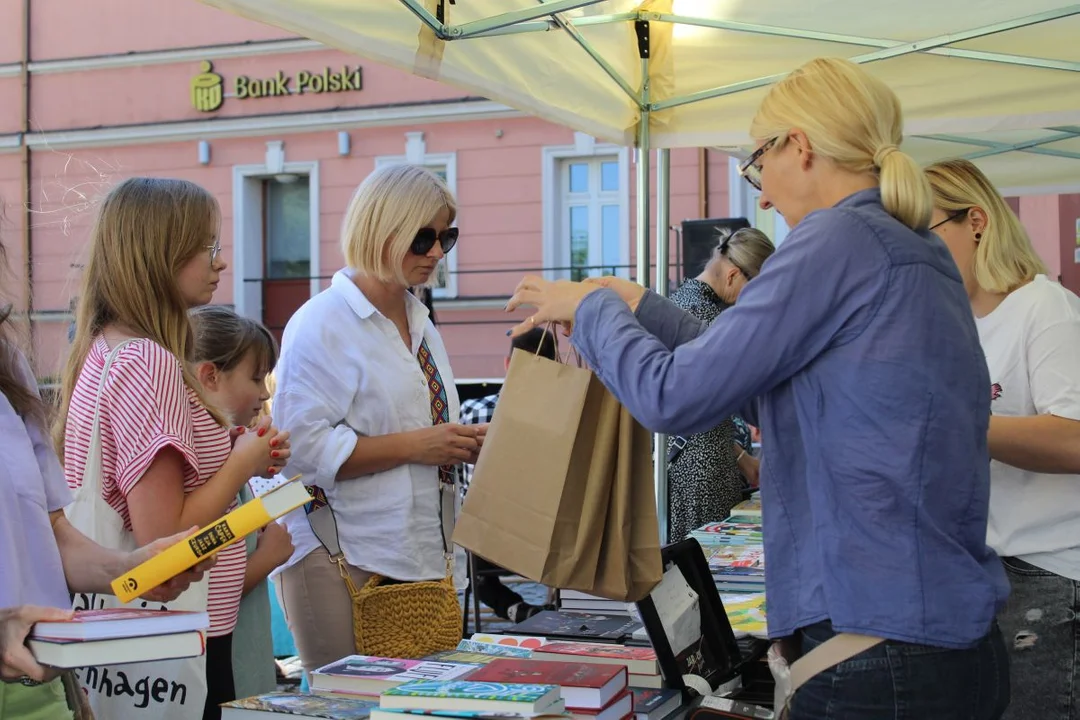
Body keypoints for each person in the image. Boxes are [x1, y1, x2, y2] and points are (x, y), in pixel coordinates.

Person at [506, 57, 1010, 719]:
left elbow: (675, 398)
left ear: (799, 146)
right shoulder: (915, 250)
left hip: (876, 651)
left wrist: (596, 306)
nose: (763, 197)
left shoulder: (834, 239)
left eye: (757, 162)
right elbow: (750, 379)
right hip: (944, 644)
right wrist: (641, 307)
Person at [54, 177, 291, 720]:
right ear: (160, 253)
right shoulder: (150, 361)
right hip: (181, 640)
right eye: (208, 246)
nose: (221, 262)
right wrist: (241, 465)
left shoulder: (105, 347)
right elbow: (167, 542)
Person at [272, 164, 483, 678]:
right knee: (350, 709)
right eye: (423, 237)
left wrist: (460, 443)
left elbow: (424, 436)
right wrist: (419, 445)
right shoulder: (321, 324)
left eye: (445, 237)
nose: (436, 252)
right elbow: (300, 454)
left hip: (420, 560)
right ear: (381, 230)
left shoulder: (421, 324)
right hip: (342, 559)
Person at [0, 234, 209, 719]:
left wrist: (131, 569)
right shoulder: (145, 359)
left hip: (39, 683)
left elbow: (53, 536)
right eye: (205, 245)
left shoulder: (8, 367)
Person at [926, 158, 1080, 720]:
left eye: (926, 229)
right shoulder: (951, 325)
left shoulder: (1044, 308)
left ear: (977, 221)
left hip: (1046, 572)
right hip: (980, 567)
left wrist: (953, 423)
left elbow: (1074, 440)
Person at [188, 305, 296, 700]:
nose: (265, 392)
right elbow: (204, 580)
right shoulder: (199, 449)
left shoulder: (217, 441)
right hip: (217, 652)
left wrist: (248, 462)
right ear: (210, 376)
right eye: (255, 377)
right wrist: (269, 556)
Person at [665, 227, 774, 541]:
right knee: (708, 562)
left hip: (697, 463)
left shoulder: (681, 299)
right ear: (733, 276)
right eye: (755, 290)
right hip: (705, 472)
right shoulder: (711, 318)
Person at [459, 326, 559, 623]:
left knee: (475, 572)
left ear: (507, 363)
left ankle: (518, 610)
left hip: (486, 547)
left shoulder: (471, 411)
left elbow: (462, 483)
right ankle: (550, 608)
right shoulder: (563, 418)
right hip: (546, 544)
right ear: (556, 367)